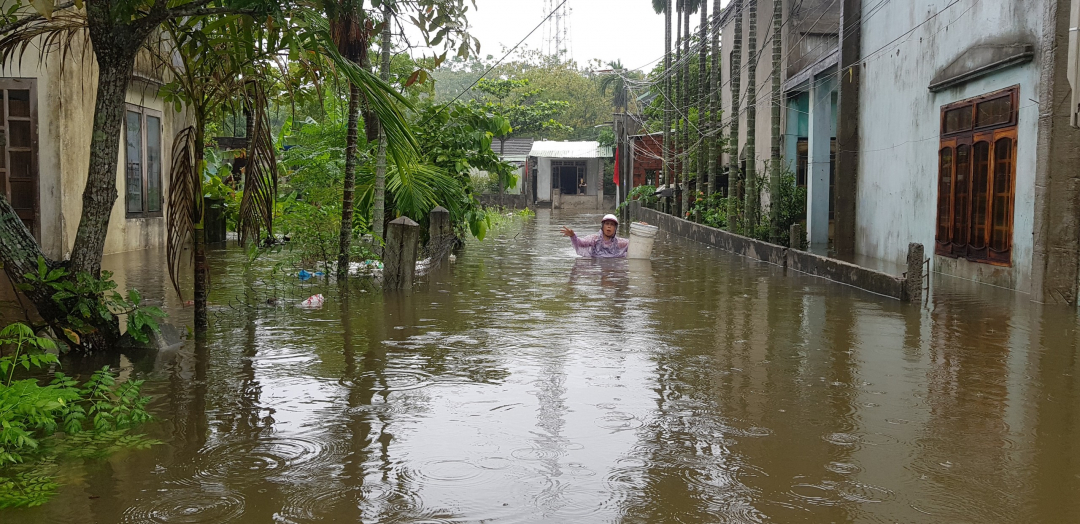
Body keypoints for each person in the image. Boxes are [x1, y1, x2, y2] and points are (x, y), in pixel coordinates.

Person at [561, 214, 629, 258]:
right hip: (597, 266)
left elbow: (635, 244)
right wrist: (573, 236)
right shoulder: (594, 239)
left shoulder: (620, 243)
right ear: (603, 226)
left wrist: (639, 227)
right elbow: (580, 243)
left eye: (612, 225)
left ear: (615, 228)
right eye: (607, 224)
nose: (609, 226)